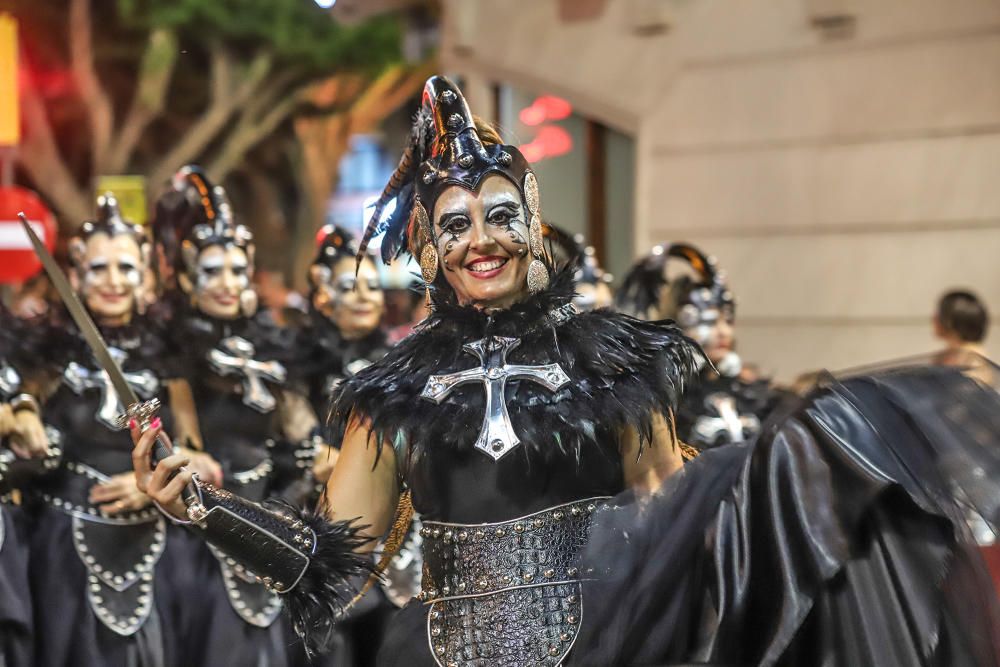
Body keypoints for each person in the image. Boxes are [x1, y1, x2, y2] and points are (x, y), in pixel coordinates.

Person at [132, 77, 1000, 666]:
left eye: (502, 215)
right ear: (430, 246)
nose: (484, 239)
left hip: (611, 644)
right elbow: (335, 565)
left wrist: (789, 483)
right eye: (459, 222)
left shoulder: (612, 360)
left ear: (533, 226)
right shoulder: (388, 392)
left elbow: (677, 510)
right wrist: (205, 507)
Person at [21, 194, 202, 667]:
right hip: (61, 545)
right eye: (99, 268)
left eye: (126, 268)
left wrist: (154, 486)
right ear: (76, 276)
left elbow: (198, 454)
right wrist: (21, 413)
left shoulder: (170, 355)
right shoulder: (44, 353)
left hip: (156, 546)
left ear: (144, 276)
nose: (114, 281)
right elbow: (21, 422)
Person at [155, 167, 318, 667]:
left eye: (236, 271)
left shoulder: (271, 347)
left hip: (270, 525)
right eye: (212, 271)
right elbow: (181, 442)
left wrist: (314, 463)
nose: (227, 284)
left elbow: (303, 434)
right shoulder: (171, 349)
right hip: (195, 540)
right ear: (185, 275)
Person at [618, 243, 787, 451]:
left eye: (728, 321)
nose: (724, 332)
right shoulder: (663, 398)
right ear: (680, 325)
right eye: (710, 322)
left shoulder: (753, 392)